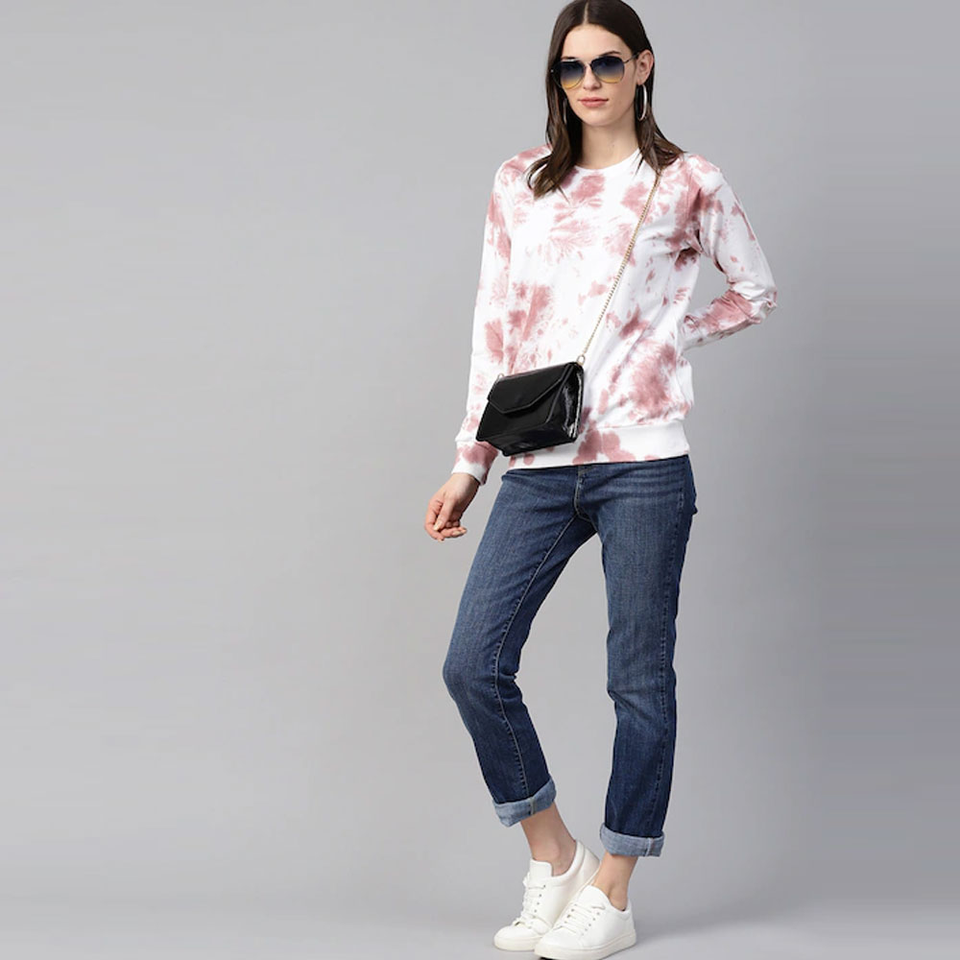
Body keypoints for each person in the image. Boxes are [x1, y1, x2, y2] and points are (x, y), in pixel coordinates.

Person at [424, 2, 778, 957]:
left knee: (638, 680)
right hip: (539, 465)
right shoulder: (520, 182)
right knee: (472, 663)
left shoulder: (688, 182)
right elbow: (495, 326)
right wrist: (469, 462)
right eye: (571, 67)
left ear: (643, 67)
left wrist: (670, 339)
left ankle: (613, 890)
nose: (589, 82)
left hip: (644, 465)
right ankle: (555, 857)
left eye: (607, 63)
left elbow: (755, 290)